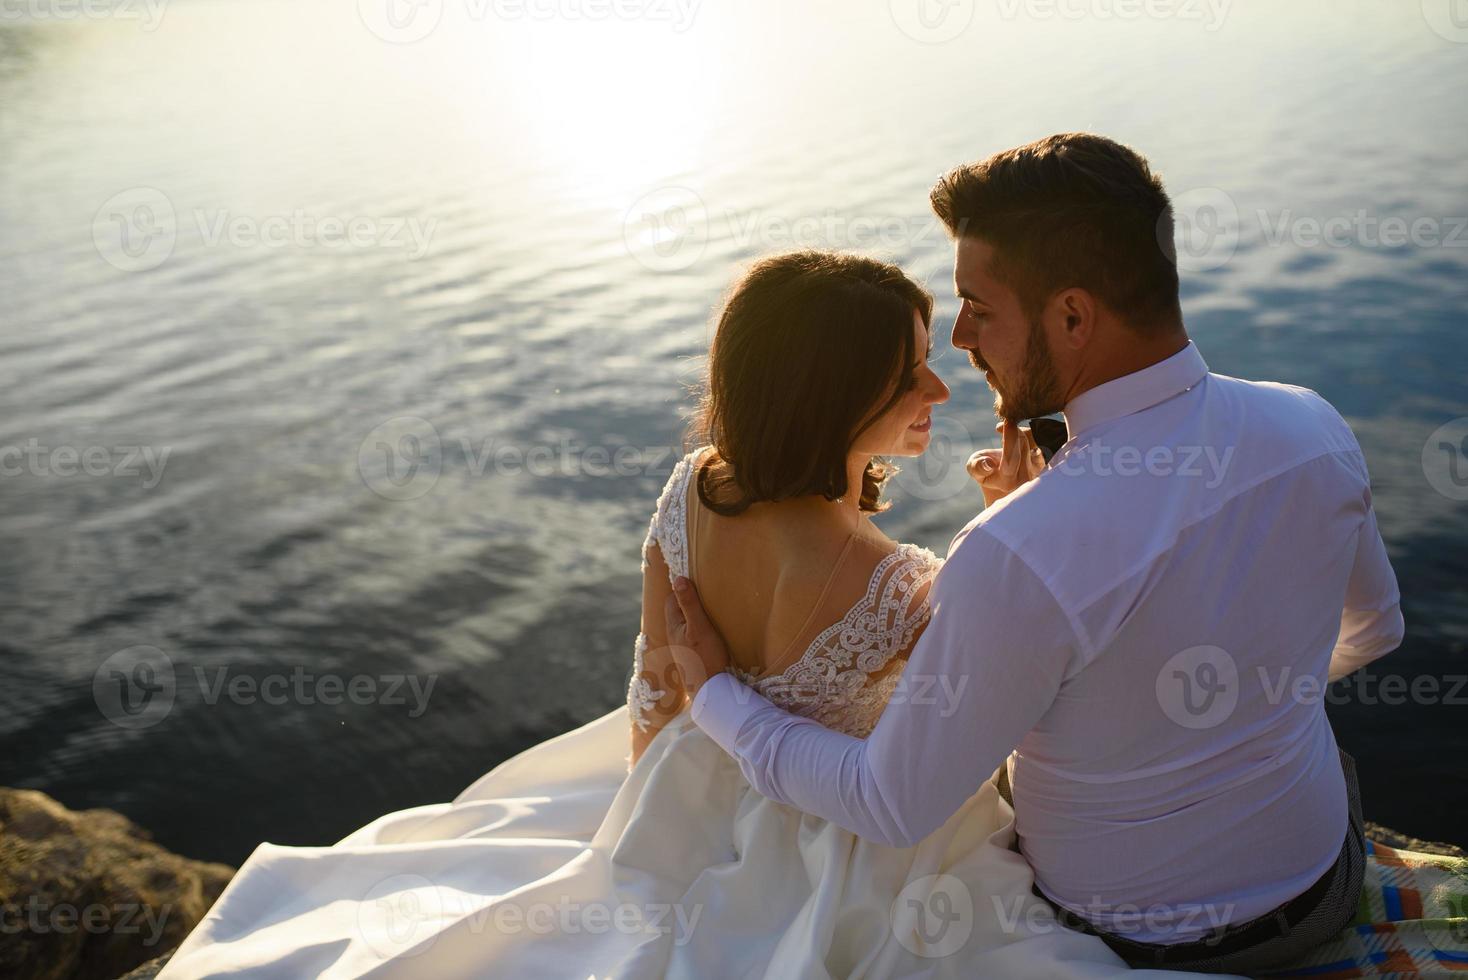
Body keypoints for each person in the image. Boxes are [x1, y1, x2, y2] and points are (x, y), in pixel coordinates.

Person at [157, 250, 1199, 978]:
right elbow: (974, 742)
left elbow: (656, 684)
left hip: (683, 783)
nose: (937, 382)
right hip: (842, 839)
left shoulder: (697, 483)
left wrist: (654, 816)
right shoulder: (898, 579)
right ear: (827, 397)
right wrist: (1011, 526)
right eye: (904, 370)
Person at [666, 133, 1405, 975]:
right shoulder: (1314, 426)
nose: (959, 338)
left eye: (979, 307)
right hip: (1322, 882)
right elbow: (1374, 630)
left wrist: (717, 696)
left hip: (1133, 935)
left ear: (1074, 316)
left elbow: (889, 801)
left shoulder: (1016, 549)